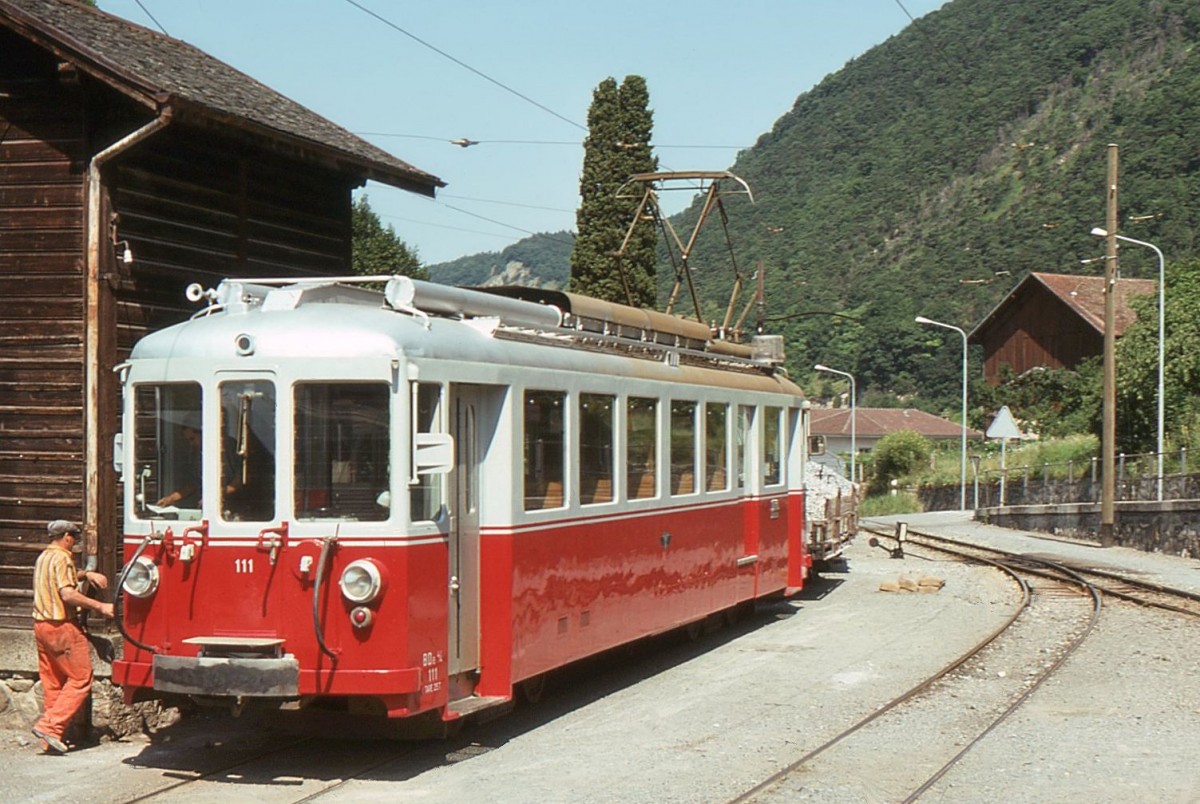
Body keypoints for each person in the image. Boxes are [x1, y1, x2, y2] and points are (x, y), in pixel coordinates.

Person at [31, 520, 114, 754]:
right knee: (81, 678)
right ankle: (49, 726)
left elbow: (63, 577)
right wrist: (101, 606)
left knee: (53, 683)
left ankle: (52, 738)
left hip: (41, 627)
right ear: (67, 536)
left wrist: (87, 573)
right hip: (61, 626)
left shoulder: (44, 557)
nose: (75, 542)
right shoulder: (62, 558)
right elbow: (67, 594)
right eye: (74, 538)